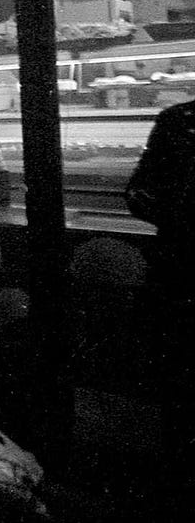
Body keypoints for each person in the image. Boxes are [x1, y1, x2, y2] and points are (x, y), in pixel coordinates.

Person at [124, 98, 195, 500]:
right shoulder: (176, 121)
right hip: (179, 275)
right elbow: (137, 192)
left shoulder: (177, 121)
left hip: (176, 271)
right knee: (176, 391)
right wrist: (178, 219)